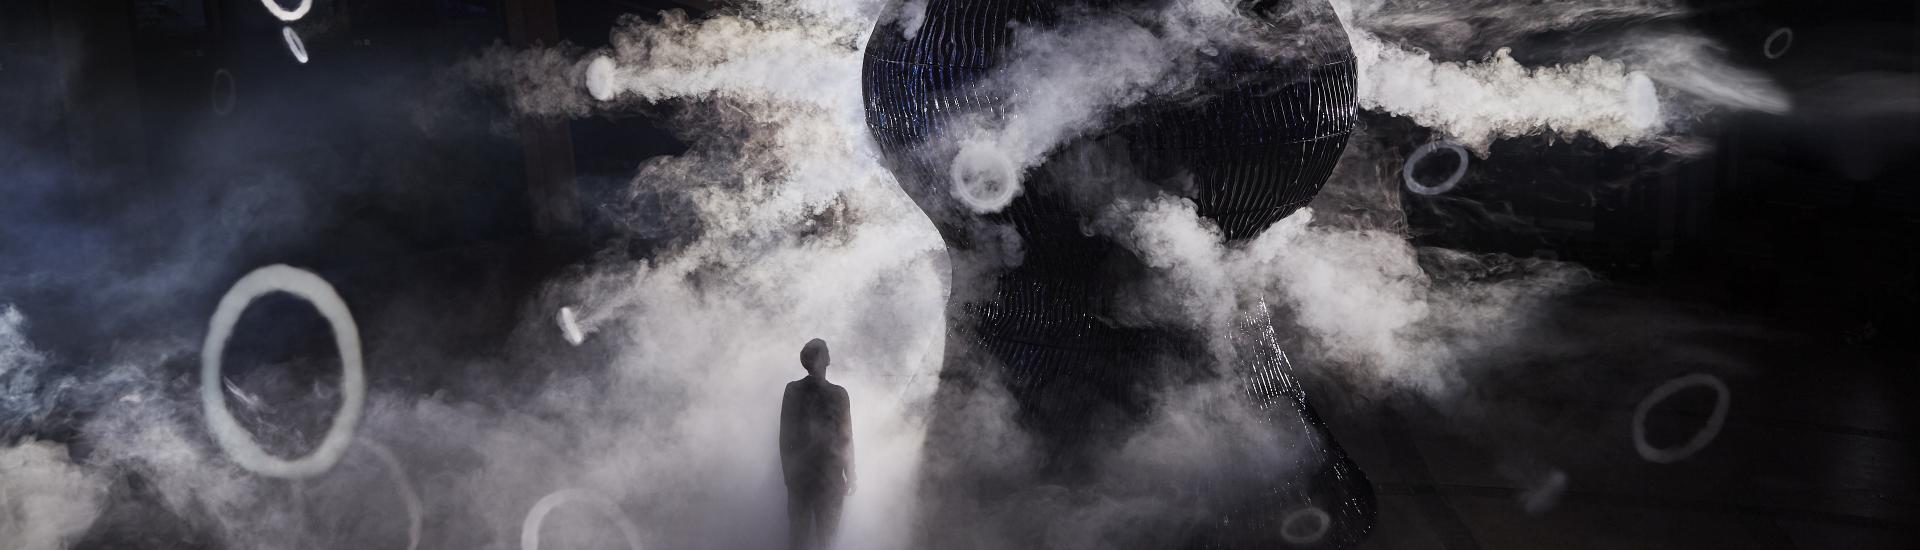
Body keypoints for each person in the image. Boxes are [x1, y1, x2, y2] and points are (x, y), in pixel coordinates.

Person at [780, 338, 854, 550]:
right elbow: (846, 437)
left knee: (798, 540)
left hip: (801, 478)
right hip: (829, 478)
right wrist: (851, 474)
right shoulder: (839, 394)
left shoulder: (792, 390)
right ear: (826, 360)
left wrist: (789, 476)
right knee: (826, 541)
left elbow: (785, 438)